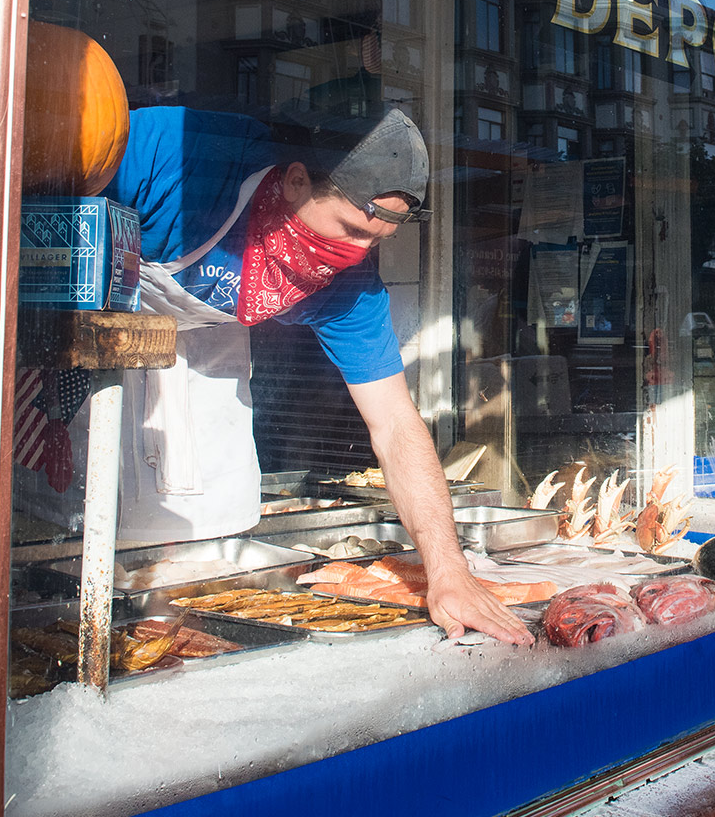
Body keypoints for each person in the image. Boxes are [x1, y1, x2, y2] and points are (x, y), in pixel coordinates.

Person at [100, 105, 531, 645]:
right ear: (296, 180)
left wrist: (449, 572)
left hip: (201, 383)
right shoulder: (175, 154)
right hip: (85, 359)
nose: (355, 254)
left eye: (374, 242)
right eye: (350, 229)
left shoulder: (349, 287)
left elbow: (396, 425)